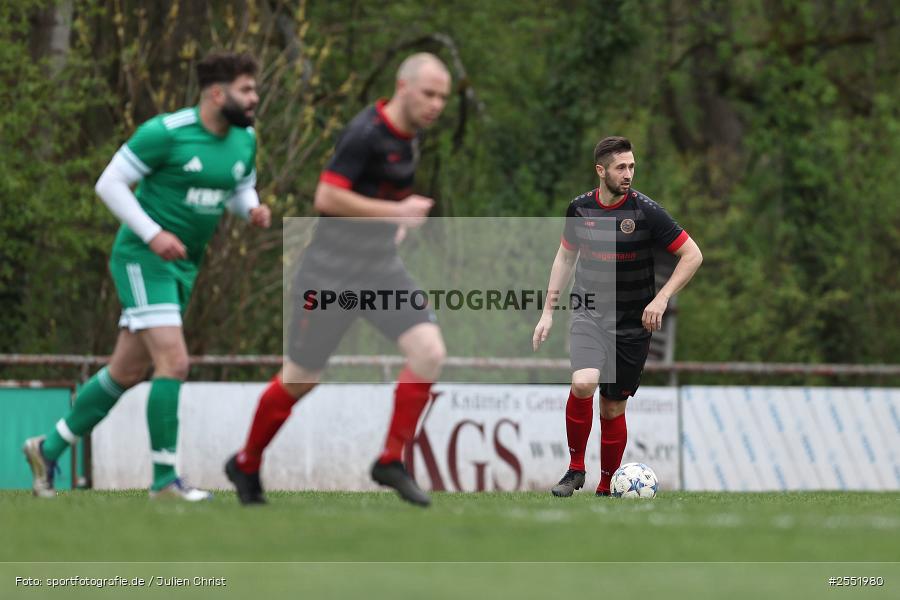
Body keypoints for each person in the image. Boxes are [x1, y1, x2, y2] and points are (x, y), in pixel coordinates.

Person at [23, 51, 271, 501]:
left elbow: (238, 185)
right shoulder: (166, 133)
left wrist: (250, 208)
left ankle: (48, 446)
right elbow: (109, 184)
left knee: (126, 371)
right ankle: (163, 482)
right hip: (142, 258)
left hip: (184, 264)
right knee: (173, 362)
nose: (255, 97)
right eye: (246, 89)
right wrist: (153, 233)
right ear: (217, 93)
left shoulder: (245, 138)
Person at [225, 53, 451, 507]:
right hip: (330, 274)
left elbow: (380, 193)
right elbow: (326, 196)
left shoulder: (410, 137)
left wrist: (397, 223)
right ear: (402, 87)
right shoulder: (364, 133)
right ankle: (246, 462)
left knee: (429, 352)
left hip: (379, 268)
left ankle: (390, 460)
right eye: (429, 93)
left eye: (443, 97)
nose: (436, 104)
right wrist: (398, 212)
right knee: (301, 377)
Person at [532, 136, 702, 497]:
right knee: (583, 383)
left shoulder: (647, 212)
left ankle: (607, 485)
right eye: (621, 167)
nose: (628, 174)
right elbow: (565, 258)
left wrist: (661, 299)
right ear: (601, 170)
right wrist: (548, 310)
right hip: (589, 314)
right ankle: (575, 469)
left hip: (633, 325)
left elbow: (693, 255)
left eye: (632, 167)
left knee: (612, 407)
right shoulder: (579, 209)